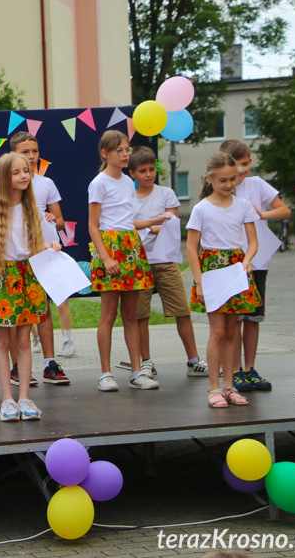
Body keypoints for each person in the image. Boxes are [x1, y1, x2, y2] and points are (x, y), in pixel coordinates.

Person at [0, 152, 61, 422]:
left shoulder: (31, 208)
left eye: (26, 171)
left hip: (29, 276)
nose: (24, 175)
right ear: (4, 177)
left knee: (24, 340)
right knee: (3, 341)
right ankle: (7, 400)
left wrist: (51, 246)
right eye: (17, 172)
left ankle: (24, 397)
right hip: (3, 276)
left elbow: (34, 244)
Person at [186, 152, 261, 408]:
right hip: (213, 271)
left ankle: (230, 385)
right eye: (222, 180)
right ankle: (213, 388)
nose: (228, 185)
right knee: (217, 331)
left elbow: (253, 242)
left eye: (232, 179)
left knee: (232, 331)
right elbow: (191, 248)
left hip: (236, 270)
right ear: (209, 179)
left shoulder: (242, 206)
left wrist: (247, 260)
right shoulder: (201, 208)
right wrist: (199, 281)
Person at [88, 131, 160, 392]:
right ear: (105, 154)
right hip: (110, 247)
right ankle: (105, 373)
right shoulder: (99, 183)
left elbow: (127, 221)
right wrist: (105, 257)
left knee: (131, 314)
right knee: (108, 314)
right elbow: (93, 226)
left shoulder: (129, 183)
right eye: (119, 150)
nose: (125, 154)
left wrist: (154, 221)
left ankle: (137, 371)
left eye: (127, 149)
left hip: (130, 246)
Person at [128, 146, 208, 378]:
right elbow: (127, 224)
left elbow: (171, 222)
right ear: (132, 173)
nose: (148, 174)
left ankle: (193, 359)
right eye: (142, 171)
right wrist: (152, 225)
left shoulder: (166, 194)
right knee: (140, 315)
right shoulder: (128, 198)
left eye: (151, 169)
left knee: (181, 310)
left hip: (164, 260)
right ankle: (146, 362)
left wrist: (154, 226)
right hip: (139, 262)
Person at [219, 140, 290, 392]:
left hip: (257, 262)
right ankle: (234, 369)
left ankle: (250, 368)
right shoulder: (221, 188)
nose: (241, 171)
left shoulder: (256, 184)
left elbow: (284, 210)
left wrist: (262, 214)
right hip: (231, 263)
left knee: (254, 317)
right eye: (236, 165)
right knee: (235, 318)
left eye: (245, 164)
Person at [9, 131, 73, 385]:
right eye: (26, 152)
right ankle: (17, 366)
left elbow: (60, 222)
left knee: (43, 308)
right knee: (14, 310)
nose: (32, 156)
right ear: (13, 154)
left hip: (41, 253)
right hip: (14, 256)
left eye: (35, 151)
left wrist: (51, 220)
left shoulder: (46, 184)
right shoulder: (6, 184)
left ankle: (49, 363)